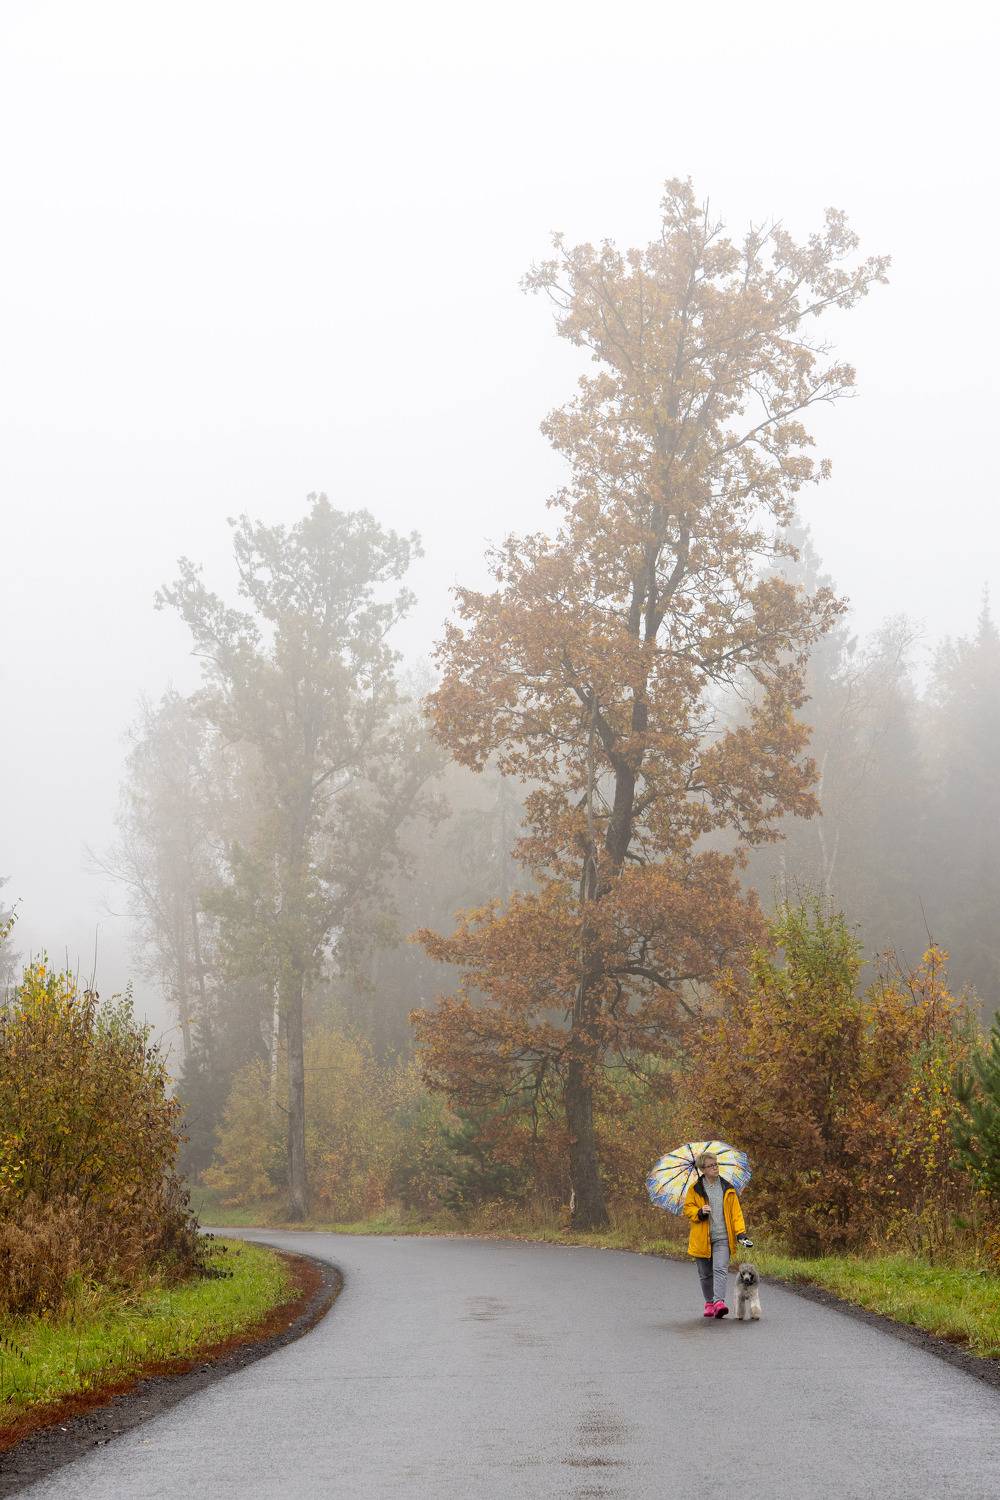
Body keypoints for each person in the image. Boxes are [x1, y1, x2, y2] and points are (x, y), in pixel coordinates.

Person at [682, 1150, 752, 1319]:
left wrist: (741, 1233)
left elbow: (736, 1213)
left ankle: (719, 1302)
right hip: (702, 1238)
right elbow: (688, 1209)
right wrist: (699, 1211)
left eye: (716, 1164)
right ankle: (709, 1303)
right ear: (703, 1169)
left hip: (722, 1237)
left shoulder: (728, 1188)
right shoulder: (695, 1189)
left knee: (720, 1269)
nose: (715, 1168)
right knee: (705, 1273)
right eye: (711, 1165)